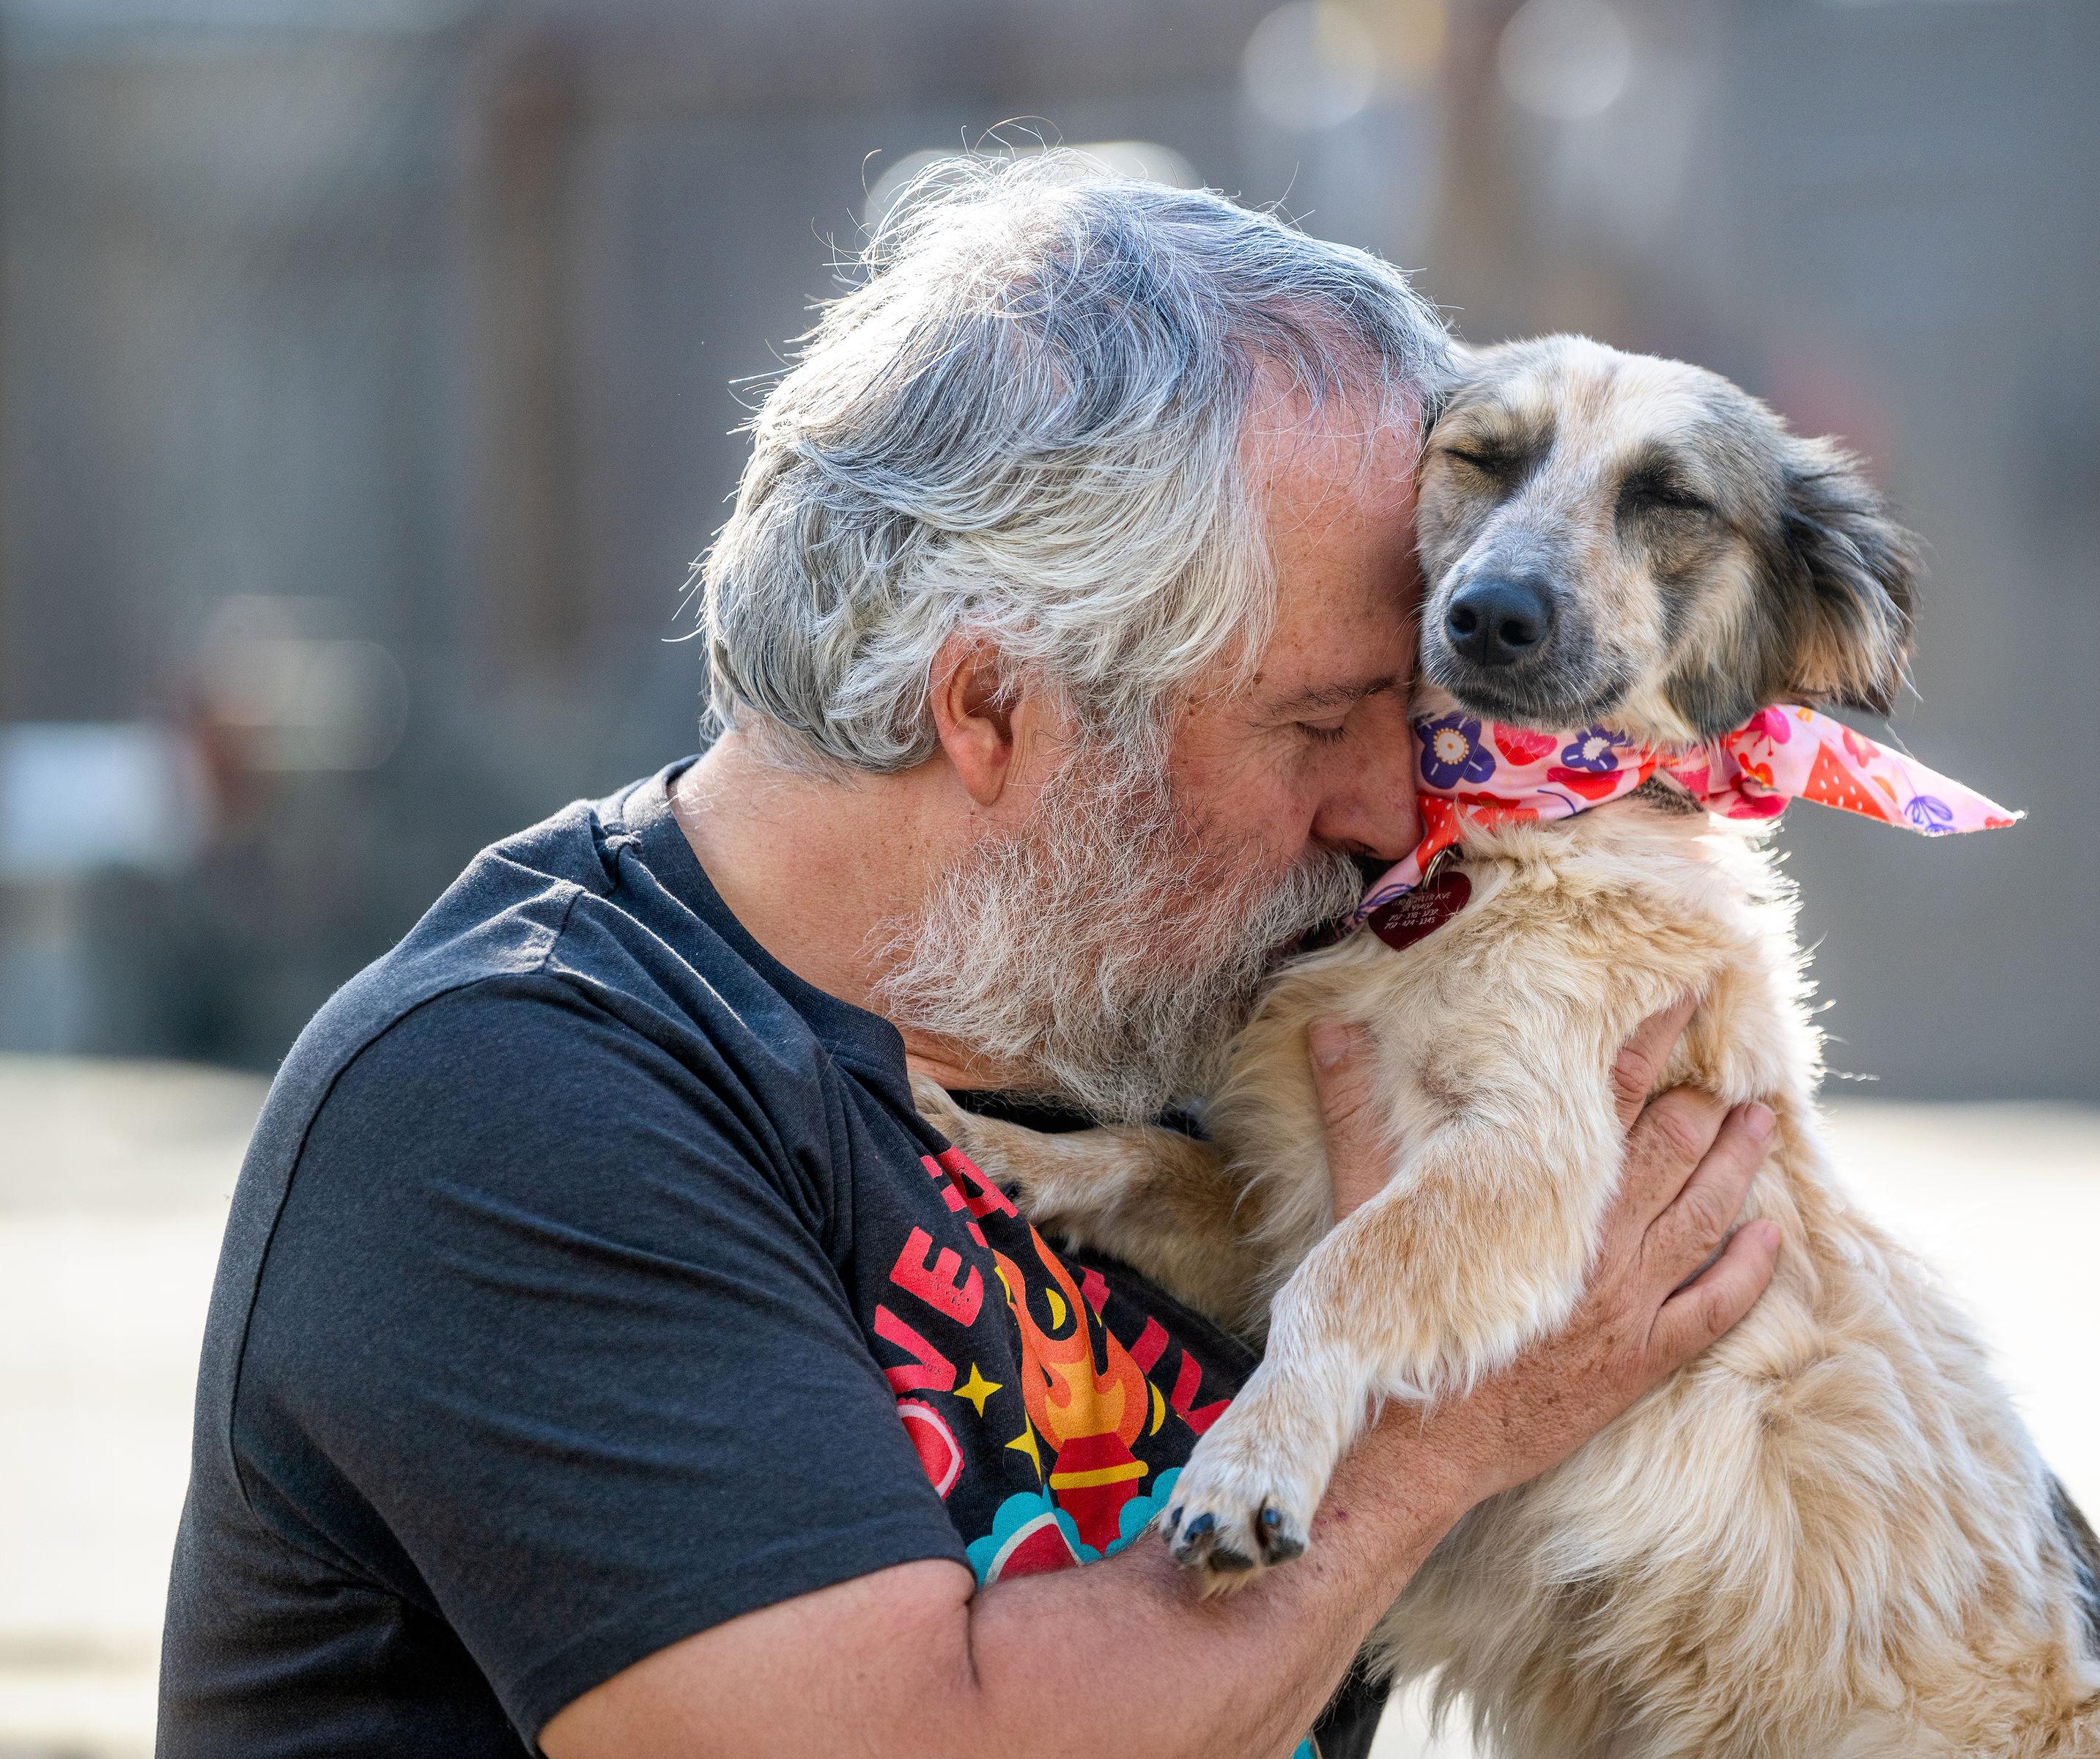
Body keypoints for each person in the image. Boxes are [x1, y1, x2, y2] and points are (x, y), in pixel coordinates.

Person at [158, 158, 1781, 1759]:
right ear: (994, 709)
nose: (1391, 807)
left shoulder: (1174, 1013)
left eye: (1421, 724)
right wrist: (1424, 1444)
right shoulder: (515, 1107)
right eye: (1317, 723)